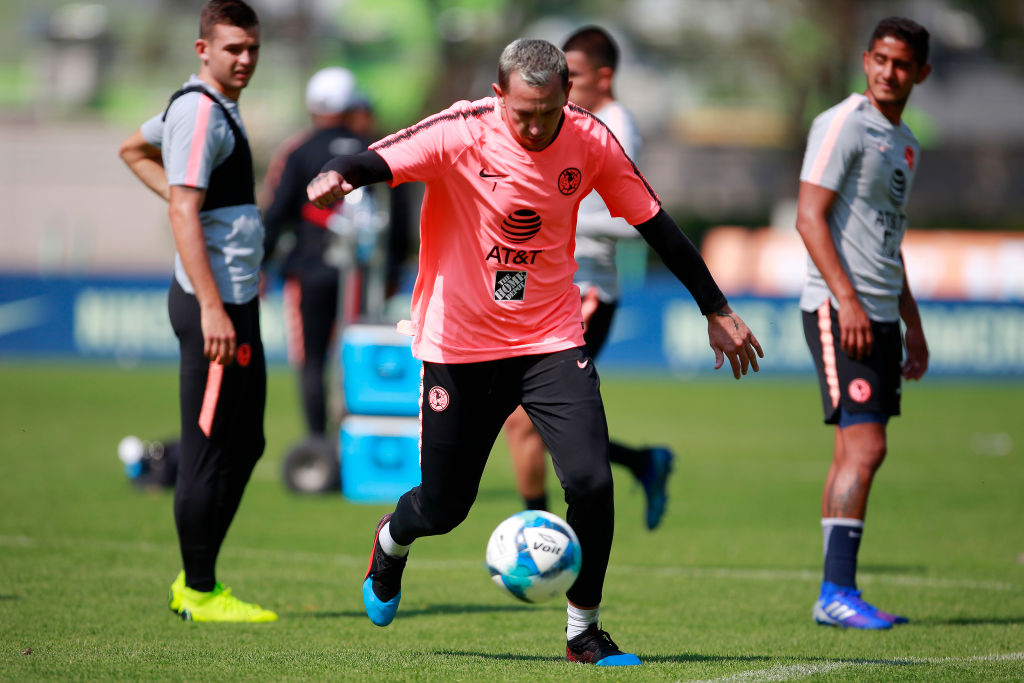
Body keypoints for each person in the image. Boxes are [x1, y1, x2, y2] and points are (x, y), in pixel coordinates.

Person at [306, 39, 763, 666]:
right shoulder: (461, 131)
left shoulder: (590, 140)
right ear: (499, 97)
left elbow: (655, 223)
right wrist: (339, 177)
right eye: (523, 112)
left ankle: (584, 632)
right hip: (459, 348)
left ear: (566, 97)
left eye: (548, 111)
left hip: (549, 340)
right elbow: (377, 160)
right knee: (443, 508)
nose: (536, 125)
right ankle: (390, 542)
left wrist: (716, 308)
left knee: (591, 481)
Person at [118, 0, 276, 623]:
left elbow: (132, 149)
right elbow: (182, 209)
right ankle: (201, 589)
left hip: (236, 303)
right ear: (202, 49)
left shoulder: (206, 108)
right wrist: (212, 308)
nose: (245, 60)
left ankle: (198, 577)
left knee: (249, 441)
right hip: (216, 310)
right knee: (210, 449)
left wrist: (196, 209)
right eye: (233, 48)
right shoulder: (200, 113)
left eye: (253, 49)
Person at [501, 26, 673, 530]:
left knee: (525, 418)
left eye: (572, 75)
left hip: (585, 287)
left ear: (604, 75)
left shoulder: (615, 126)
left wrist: (558, 219)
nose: (562, 85)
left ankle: (539, 535)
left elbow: (634, 219)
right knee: (515, 413)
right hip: (534, 281)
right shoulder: (563, 120)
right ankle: (640, 463)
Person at [796, 16, 930, 630]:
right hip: (837, 306)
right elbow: (809, 216)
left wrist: (913, 322)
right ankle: (836, 591)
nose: (887, 72)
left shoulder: (905, 144)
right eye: (879, 58)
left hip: (879, 311)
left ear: (920, 74)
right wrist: (847, 300)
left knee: (855, 448)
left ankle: (836, 594)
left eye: (901, 64)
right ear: (865, 58)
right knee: (867, 446)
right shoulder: (844, 122)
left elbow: (888, 240)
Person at [260, 67, 371, 440]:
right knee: (358, 359)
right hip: (361, 274)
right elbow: (401, 216)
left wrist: (259, 265)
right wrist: (387, 276)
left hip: (310, 270)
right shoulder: (374, 149)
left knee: (311, 361)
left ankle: (317, 445)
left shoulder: (299, 150)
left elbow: (275, 214)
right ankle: (355, 440)